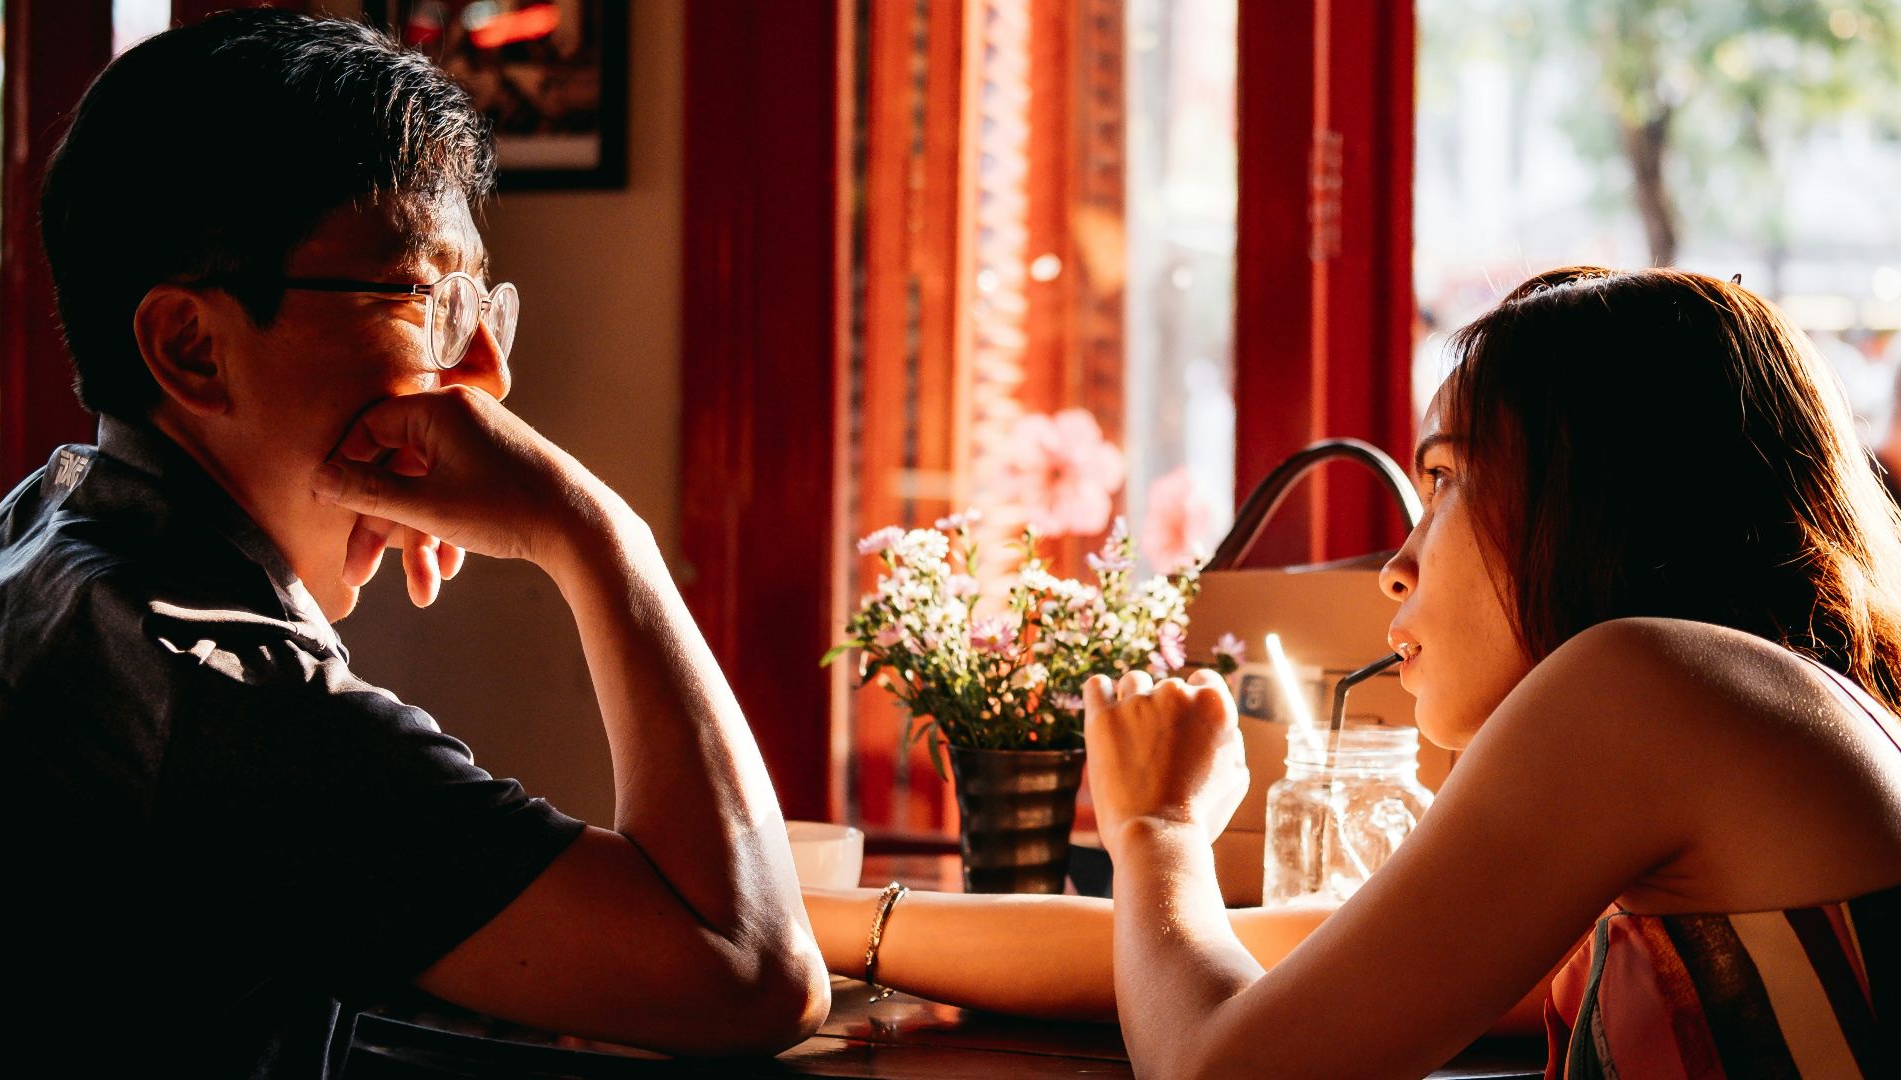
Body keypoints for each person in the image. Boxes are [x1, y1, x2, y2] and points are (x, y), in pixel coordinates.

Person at [0, 11, 826, 1075]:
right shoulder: (226, 698)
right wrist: (600, 535)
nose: (484, 375)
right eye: (425, 298)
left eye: (482, 307)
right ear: (192, 347)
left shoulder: (41, 529)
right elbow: (751, 970)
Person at [806, 267, 1900, 1077]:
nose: (1394, 567)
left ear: (1598, 499)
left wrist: (1156, 830)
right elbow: (1242, 954)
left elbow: (1225, 1068)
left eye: (1444, 480)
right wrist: (808, 920)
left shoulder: (1641, 687)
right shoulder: (1728, 724)